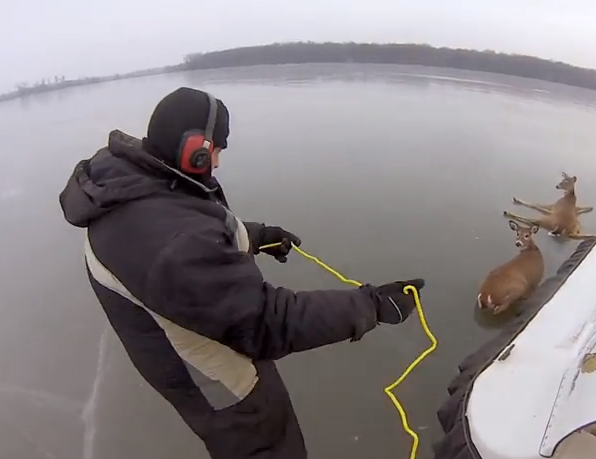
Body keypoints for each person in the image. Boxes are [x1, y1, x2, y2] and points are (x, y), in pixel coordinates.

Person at [58, 86, 425, 459]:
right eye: (216, 150)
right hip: (221, 387)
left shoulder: (131, 186)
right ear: (194, 149)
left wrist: (255, 237)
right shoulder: (172, 244)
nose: (216, 163)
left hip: (201, 353)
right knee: (269, 444)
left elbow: (185, 230)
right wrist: (371, 306)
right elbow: (266, 322)